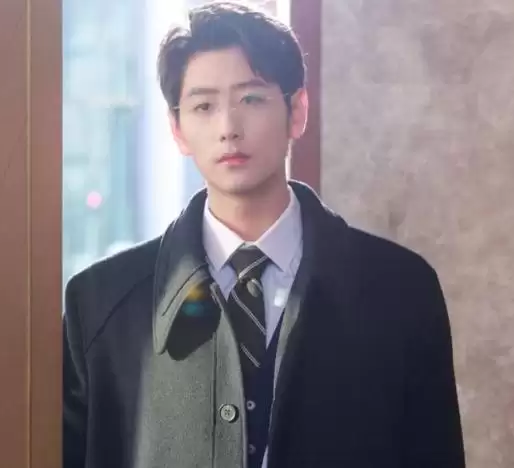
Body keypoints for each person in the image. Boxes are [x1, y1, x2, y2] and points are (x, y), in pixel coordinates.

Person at [62, 2, 466, 467]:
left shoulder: (401, 290)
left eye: (251, 100)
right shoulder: (100, 305)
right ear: (177, 129)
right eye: (204, 106)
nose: (228, 128)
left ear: (297, 111)